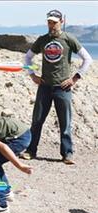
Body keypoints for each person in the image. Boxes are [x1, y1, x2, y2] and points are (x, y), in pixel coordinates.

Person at [21, 9, 92, 165]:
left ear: (62, 22)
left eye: (54, 22)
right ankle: (30, 151)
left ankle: (67, 154)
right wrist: (32, 75)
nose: (51, 25)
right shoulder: (42, 40)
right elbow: (27, 57)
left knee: (65, 122)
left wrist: (75, 78)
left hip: (63, 88)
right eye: (49, 22)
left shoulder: (69, 39)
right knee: (37, 121)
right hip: (45, 86)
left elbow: (87, 59)